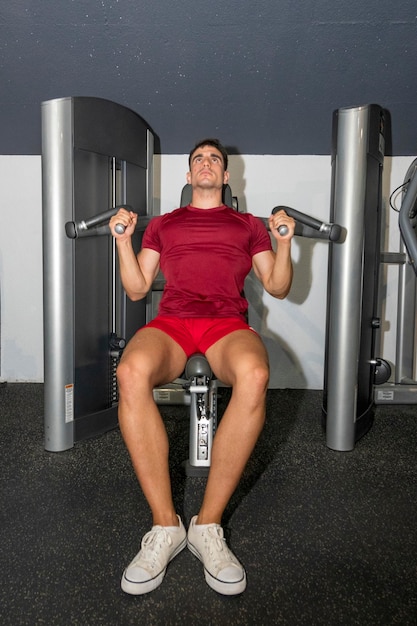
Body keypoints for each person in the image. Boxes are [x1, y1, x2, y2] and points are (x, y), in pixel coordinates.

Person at [109, 138, 295, 596]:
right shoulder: (166, 225)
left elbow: (277, 286)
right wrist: (122, 240)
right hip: (173, 321)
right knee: (130, 372)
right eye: (198, 160)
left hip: (226, 324)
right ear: (189, 177)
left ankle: (206, 526)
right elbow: (136, 289)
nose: (206, 163)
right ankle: (165, 526)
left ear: (226, 177)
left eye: (214, 159)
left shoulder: (248, 225)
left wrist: (284, 242)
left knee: (254, 375)